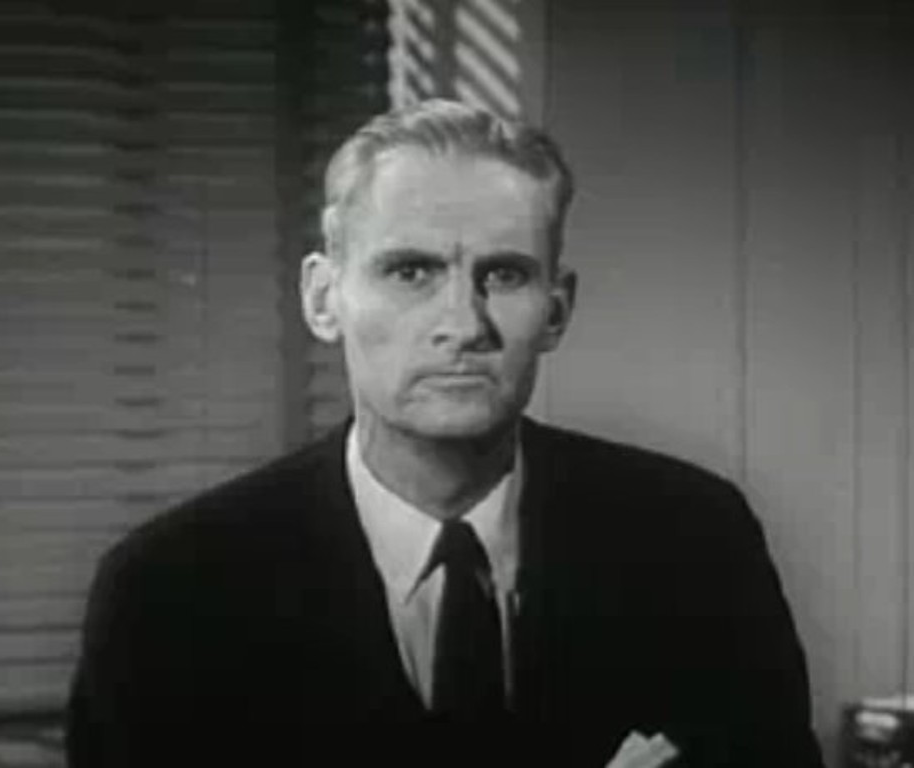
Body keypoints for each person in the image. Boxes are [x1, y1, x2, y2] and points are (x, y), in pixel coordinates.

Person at [66, 99, 824, 768]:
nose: (463, 325)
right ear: (324, 299)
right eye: (410, 272)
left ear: (556, 311)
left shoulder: (696, 541)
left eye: (505, 275)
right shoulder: (169, 594)